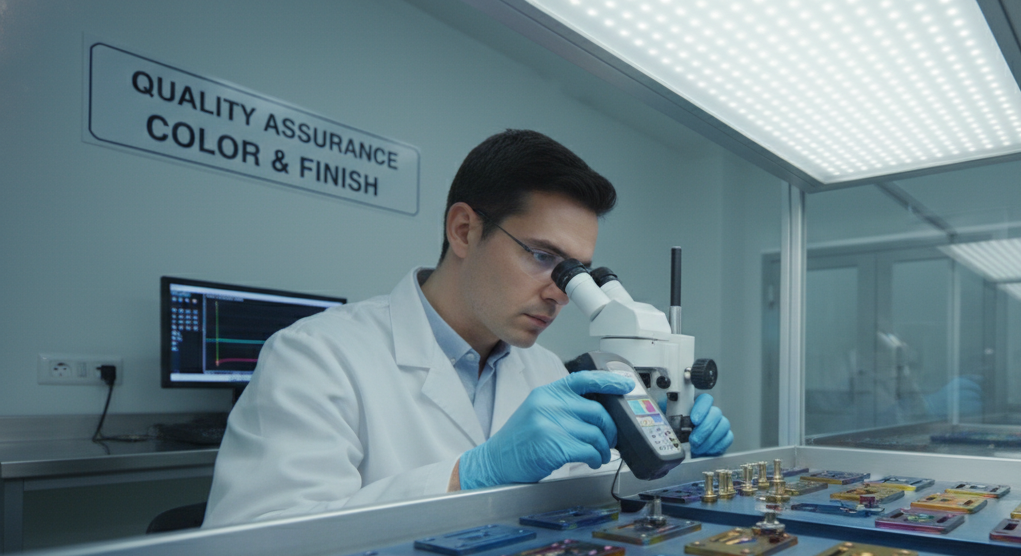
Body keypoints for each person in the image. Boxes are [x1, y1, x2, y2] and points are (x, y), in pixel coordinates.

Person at [204, 129, 732, 526]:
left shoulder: (545, 370)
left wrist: (669, 452)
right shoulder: (314, 357)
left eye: (576, 273)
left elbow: (586, 497)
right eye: (543, 256)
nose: (560, 291)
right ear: (463, 230)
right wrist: (468, 475)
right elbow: (251, 544)